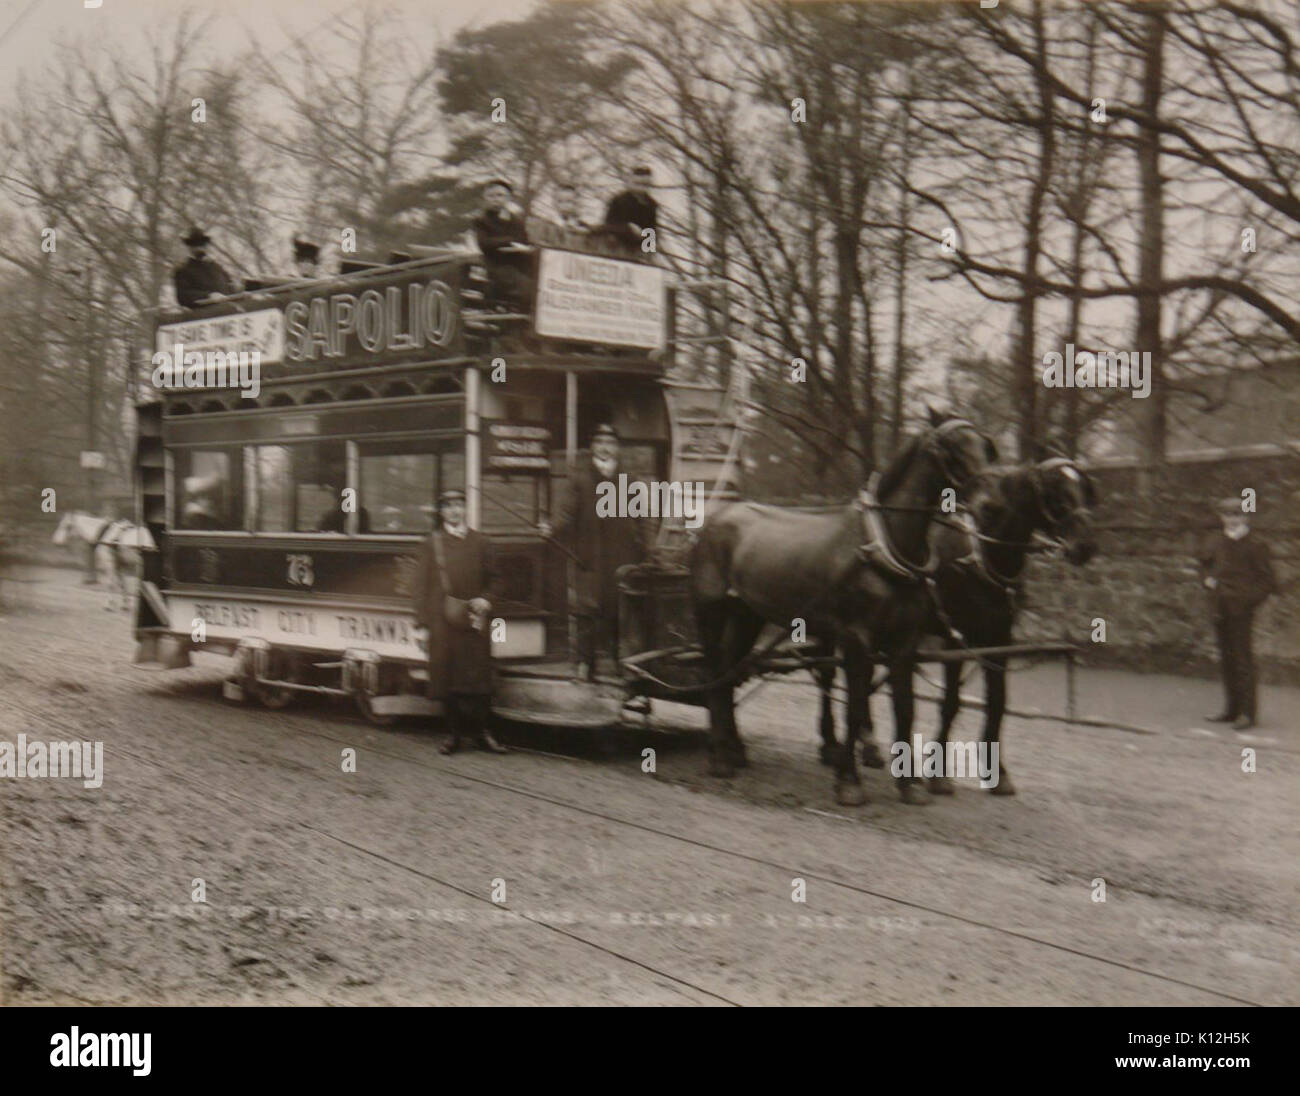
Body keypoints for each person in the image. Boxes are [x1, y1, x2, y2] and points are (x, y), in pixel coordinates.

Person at [542, 424, 651, 679]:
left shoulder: (629, 479)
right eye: (600, 441)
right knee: (586, 611)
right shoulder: (579, 478)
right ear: (593, 447)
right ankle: (585, 663)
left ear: (617, 448)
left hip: (622, 556)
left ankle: (616, 660)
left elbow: (642, 518)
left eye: (610, 442)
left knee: (618, 609)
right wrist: (551, 528)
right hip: (589, 556)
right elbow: (566, 513)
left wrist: (648, 548)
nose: (605, 447)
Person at [413, 489, 506, 754]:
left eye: (459, 505)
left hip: (474, 620)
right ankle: (452, 735)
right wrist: (421, 624)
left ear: (466, 509)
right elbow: (419, 586)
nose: (455, 511)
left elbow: (497, 579)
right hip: (442, 620)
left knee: (480, 679)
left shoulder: (482, 542)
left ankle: (482, 734)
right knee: (447, 679)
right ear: (442, 512)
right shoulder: (432, 544)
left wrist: (487, 600)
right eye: (449, 506)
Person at [1200, 497, 1276, 730]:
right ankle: (1231, 710)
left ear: (1245, 517)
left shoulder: (1256, 544)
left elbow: (1267, 581)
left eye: (1236, 514)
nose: (1232, 519)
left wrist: (1247, 601)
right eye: (1227, 514)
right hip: (1219, 607)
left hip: (1240, 609)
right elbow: (1204, 565)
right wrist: (1207, 581)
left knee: (1243, 659)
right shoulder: (1215, 541)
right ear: (1222, 517)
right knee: (1226, 658)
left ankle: (1247, 713)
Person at [471, 178, 535, 311]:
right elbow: (484, 243)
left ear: (508, 198)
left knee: (538, 285)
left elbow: (524, 241)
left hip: (518, 266)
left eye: (500, 195)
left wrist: (528, 248)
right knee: (527, 289)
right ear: (485, 198)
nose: (496, 199)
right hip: (497, 267)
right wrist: (509, 241)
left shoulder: (517, 221)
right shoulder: (482, 220)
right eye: (491, 196)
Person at [601, 165, 658, 256]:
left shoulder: (651, 205)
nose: (642, 188)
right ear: (631, 182)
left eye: (645, 184)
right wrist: (628, 228)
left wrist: (649, 253)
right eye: (638, 183)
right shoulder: (619, 201)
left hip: (638, 252)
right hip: (616, 249)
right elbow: (608, 226)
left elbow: (651, 231)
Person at [173, 226, 234, 308]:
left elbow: (229, 286)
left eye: (203, 245)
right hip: (204, 315)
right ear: (190, 247)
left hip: (228, 311)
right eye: (195, 245)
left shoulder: (216, 267)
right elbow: (183, 296)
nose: (200, 248)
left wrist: (245, 287)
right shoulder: (183, 271)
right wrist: (208, 296)